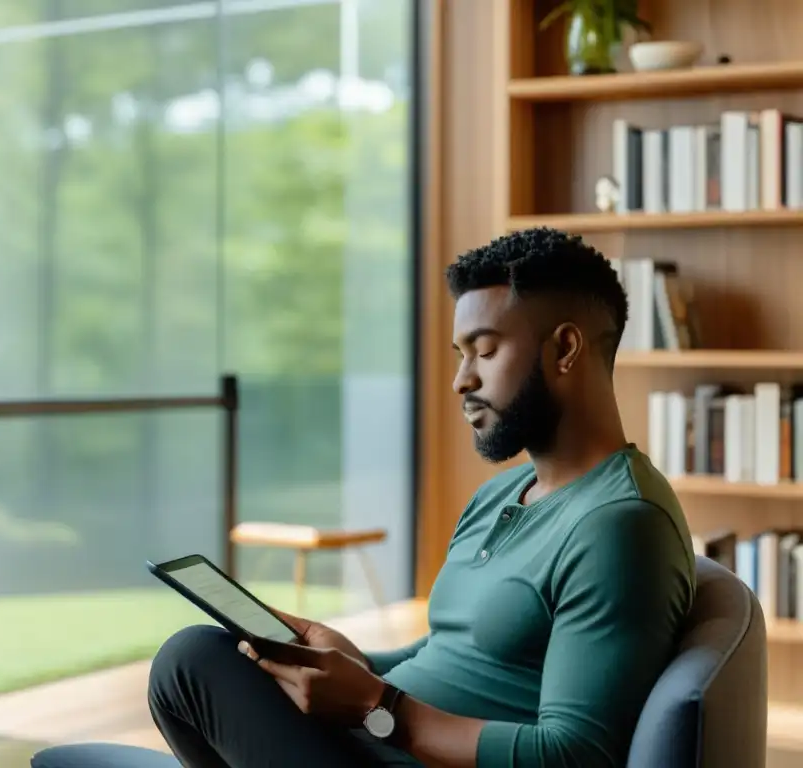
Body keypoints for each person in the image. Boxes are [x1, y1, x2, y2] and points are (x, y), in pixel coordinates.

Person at [148, 227, 697, 768]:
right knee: (215, 657)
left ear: (565, 349)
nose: (461, 380)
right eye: (461, 354)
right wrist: (357, 663)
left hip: (391, 747)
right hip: (374, 740)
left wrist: (375, 704)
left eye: (484, 351)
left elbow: (577, 755)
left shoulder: (621, 525)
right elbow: (451, 656)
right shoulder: (501, 493)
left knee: (191, 662)